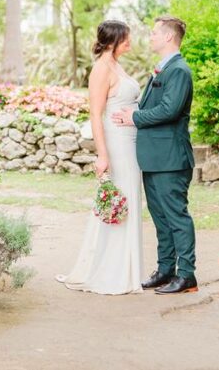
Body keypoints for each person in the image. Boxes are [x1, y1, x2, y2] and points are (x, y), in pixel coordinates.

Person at [56, 20, 144, 295]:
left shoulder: (117, 65)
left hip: (130, 142)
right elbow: (95, 114)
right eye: (126, 38)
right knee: (120, 202)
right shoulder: (101, 69)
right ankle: (111, 271)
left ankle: (127, 269)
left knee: (129, 199)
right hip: (116, 144)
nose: (130, 42)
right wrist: (102, 155)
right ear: (114, 40)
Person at [112, 16, 198, 295]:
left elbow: (170, 110)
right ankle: (165, 270)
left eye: (153, 33)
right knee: (160, 216)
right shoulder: (162, 69)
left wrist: (134, 117)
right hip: (154, 157)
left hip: (171, 158)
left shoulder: (179, 71)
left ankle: (186, 275)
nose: (149, 37)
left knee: (176, 216)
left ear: (168, 38)